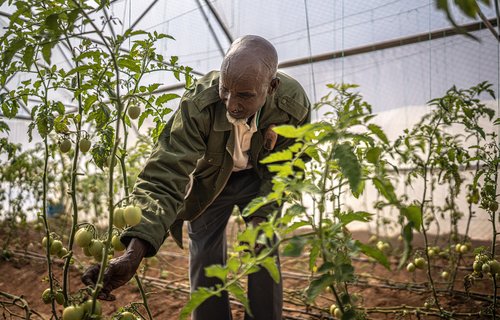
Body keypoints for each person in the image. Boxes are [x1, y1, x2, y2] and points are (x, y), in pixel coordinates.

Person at [82, 35, 311, 320]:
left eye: (245, 96)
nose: (231, 103)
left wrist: (262, 216)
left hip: (259, 180)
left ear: (272, 87)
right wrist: (134, 252)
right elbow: (166, 171)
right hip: (210, 182)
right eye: (225, 90)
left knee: (263, 249)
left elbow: (288, 165)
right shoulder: (199, 102)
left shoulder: (292, 105)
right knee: (204, 255)